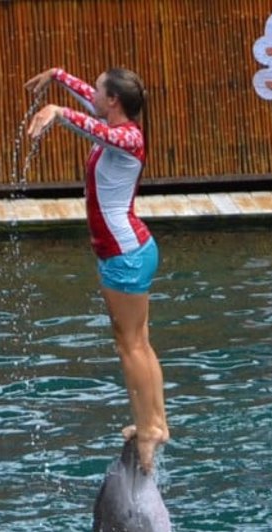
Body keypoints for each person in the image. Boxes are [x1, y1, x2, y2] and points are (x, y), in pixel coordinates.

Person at [24, 66, 168, 473]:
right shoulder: (115, 119)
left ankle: (148, 429)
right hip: (126, 251)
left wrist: (58, 111)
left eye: (101, 92)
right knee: (139, 341)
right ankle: (155, 422)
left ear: (114, 102)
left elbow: (90, 127)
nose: (94, 95)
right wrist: (55, 75)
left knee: (131, 346)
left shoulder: (127, 138)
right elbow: (88, 101)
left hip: (125, 254)